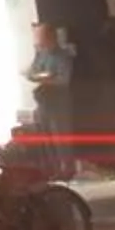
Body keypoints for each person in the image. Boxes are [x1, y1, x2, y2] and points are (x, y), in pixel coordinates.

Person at [27, 23, 76, 177]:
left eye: (40, 36)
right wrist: (42, 76)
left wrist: (47, 78)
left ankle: (67, 169)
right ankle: (53, 169)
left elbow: (63, 80)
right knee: (46, 136)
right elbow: (31, 73)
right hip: (43, 102)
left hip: (58, 102)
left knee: (60, 136)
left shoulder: (63, 56)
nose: (38, 40)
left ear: (50, 37)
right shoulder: (40, 55)